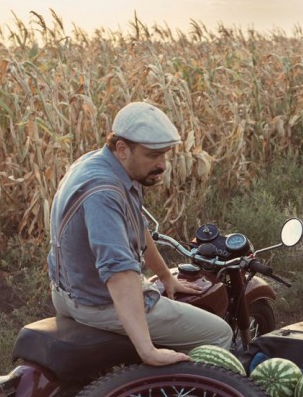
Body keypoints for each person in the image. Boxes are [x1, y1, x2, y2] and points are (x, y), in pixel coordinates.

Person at [48, 101, 233, 366]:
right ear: (122, 148)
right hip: (98, 302)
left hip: (67, 292)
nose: (163, 165)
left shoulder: (98, 163)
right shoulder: (104, 192)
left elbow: (136, 226)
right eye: (152, 155)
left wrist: (166, 276)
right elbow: (119, 272)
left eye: (165, 155)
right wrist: (149, 352)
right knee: (218, 333)